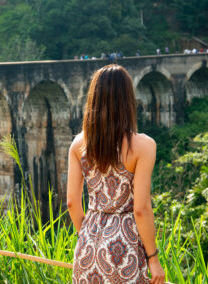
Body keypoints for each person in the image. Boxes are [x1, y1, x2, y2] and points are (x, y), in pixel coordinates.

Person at [68, 64, 165, 283]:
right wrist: (153, 258)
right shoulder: (143, 146)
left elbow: (72, 203)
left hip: (87, 246)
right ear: (127, 100)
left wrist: (88, 237)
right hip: (124, 249)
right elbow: (140, 209)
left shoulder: (78, 144)